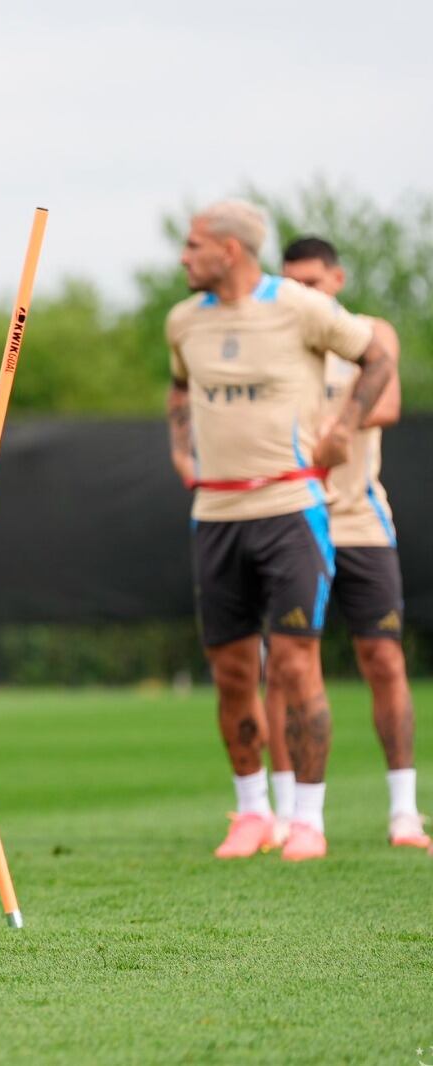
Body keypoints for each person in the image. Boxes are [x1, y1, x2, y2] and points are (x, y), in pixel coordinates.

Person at [165, 200, 397, 862]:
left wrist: (344, 426)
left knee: (296, 664)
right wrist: (181, 449)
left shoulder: (298, 306)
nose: (183, 257)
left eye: (193, 245)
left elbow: (375, 355)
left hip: (292, 511)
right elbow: (180, 390)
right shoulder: (182, 321)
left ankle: (308, 820)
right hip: (215, 517)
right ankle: (250, 813)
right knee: (232, 671)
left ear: (230, 251)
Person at [263, 236, 425, 849]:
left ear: (338, 278)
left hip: (360, 520)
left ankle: (404, 812)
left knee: (384, 658)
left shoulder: (368, 330)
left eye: (313, 280)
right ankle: (288, 814)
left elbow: (386, 400)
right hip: (291, 517)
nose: (302, 291)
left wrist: (332, 423)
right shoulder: (276, 337)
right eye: (291, 281)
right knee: (284, 667)